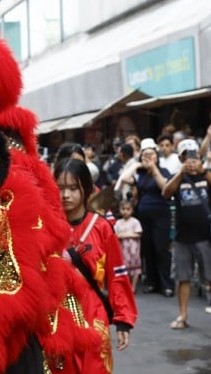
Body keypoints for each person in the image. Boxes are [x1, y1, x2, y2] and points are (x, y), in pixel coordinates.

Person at [56, 159, 136, 354]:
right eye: (60, 188)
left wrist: (123, 319)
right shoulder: (45, 225)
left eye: (73, 188)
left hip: (93, 316)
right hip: (56, 320)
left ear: (87, 189)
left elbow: (116, 275)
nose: (66, 195)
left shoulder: (101, 228)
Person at [162, 144, 211, 330]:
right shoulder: (177, 178)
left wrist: (204, 172)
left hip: (207, 236)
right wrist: (180, 174)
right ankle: (183, 315)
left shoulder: (208, 174)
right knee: (183, 277)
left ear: (200, 159)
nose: (191, 162)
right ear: (181, 159)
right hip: (182, 236)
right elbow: (166, 193)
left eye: (194, 158)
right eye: (187, 158)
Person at [122, 143, 173, 296]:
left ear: (157, 157)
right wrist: (137, 164)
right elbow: (125, 178)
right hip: (143, 214)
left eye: (152, 154)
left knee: (161, 248)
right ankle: (152, 283)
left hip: (161, 213)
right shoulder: (140, 174)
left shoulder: (164, 171)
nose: (148, 158)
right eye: (145, 155)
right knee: (147, 248)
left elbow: (164, 186)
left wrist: (153, 168)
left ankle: (166, 284)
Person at [114, 199, 142, 292]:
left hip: (133, 248)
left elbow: (139, 234)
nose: (125, 211)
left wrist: (125, 235)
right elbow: (115, 234)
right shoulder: (118, 222)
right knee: (124, 267)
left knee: (135, 268)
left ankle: (133, 287)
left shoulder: (135, 221)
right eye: (123, 209)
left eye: (128, 209)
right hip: (122, 248)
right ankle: (126, 286)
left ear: (132, 210)